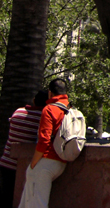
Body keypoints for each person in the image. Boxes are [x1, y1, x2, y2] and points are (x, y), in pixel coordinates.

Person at [18, 79, 70, 208]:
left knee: (37, 203)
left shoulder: (50, 109)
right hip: (61, 162)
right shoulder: (69, 109)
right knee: (27, 200)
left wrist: (33, 164)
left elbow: (44, 141)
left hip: (45, 163)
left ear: (50, 93)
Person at [0, 91, 48, 208]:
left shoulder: (18, 112)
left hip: (6, 161)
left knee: (6, 197)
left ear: (33, 100)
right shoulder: (43, 118)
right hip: (25, 166)